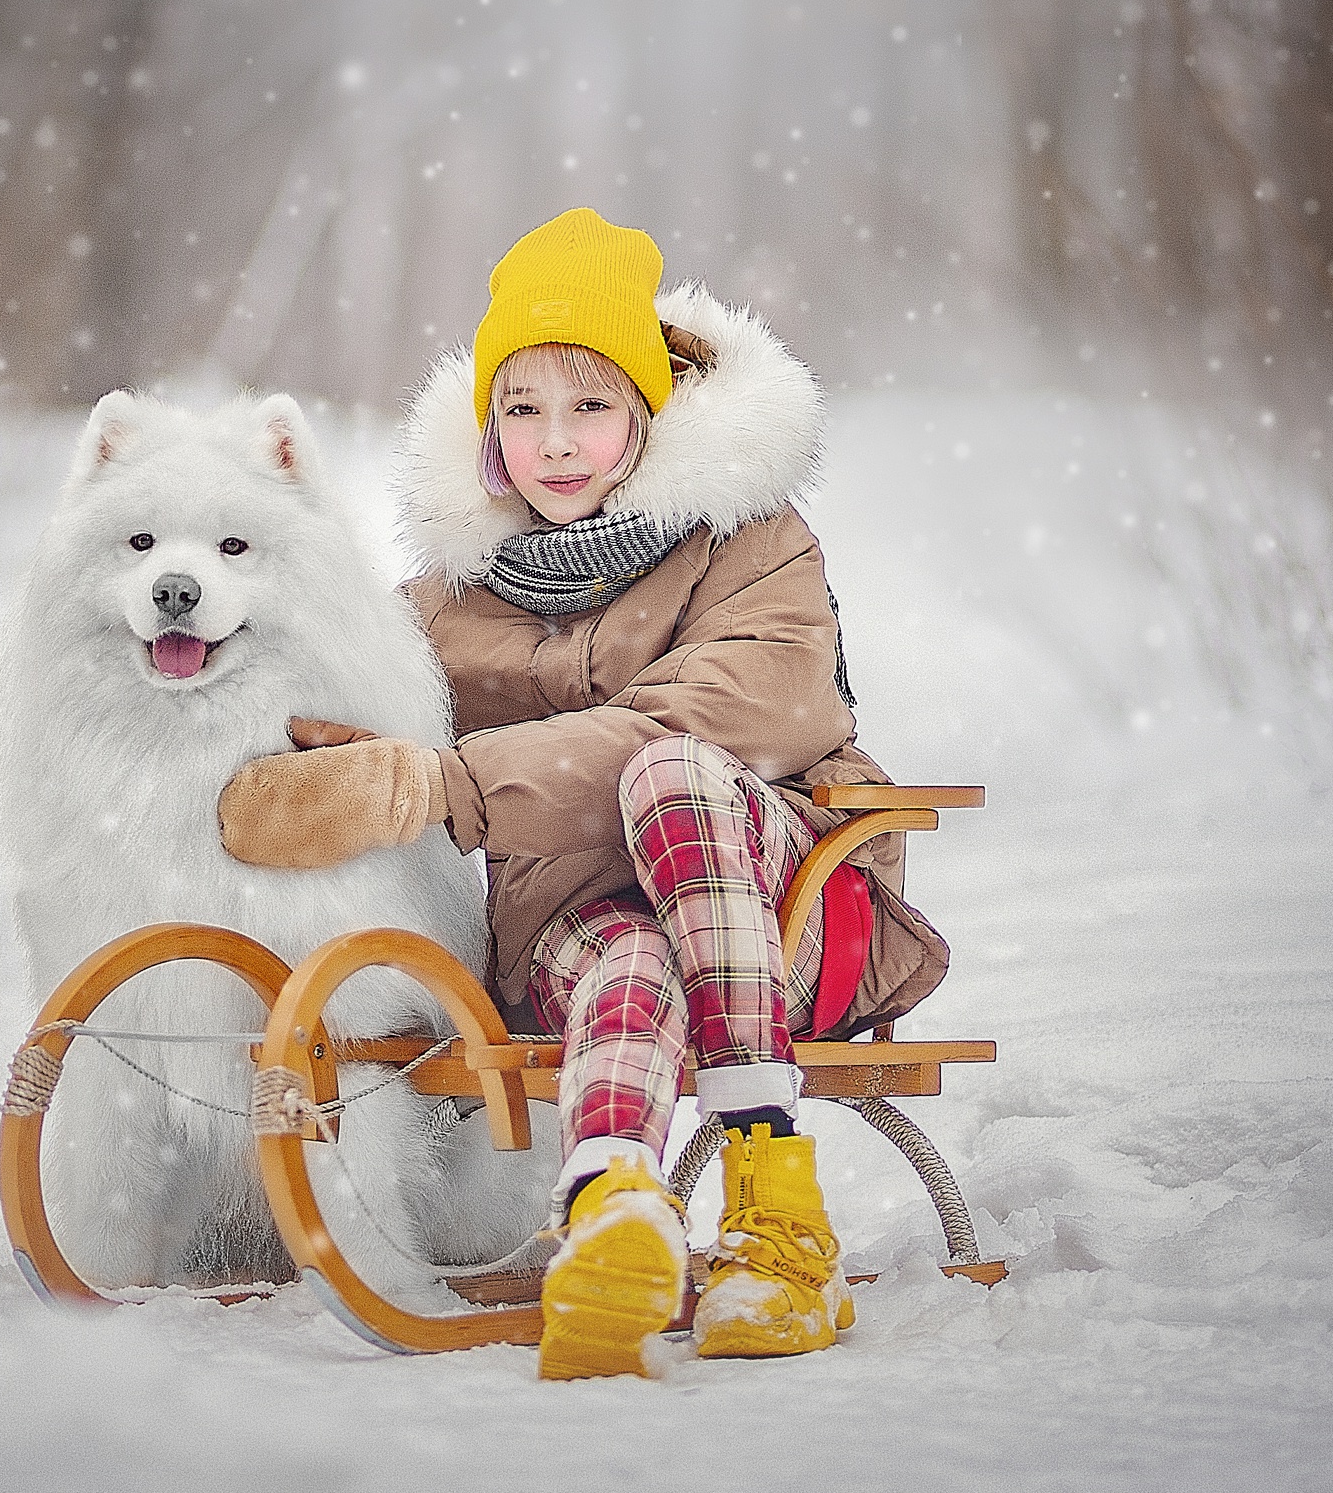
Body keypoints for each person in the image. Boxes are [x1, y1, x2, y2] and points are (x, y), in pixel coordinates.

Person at [218, 208, 949, 1379]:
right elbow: (357, 701)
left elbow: (704, 720)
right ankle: (613, 1206)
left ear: (649, 415)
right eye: (522, 410)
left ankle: (775, 1216)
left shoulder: (753, 545)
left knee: (668, 774)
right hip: (577, 925)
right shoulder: (450, 601)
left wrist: (440, 787)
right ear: (490, 434)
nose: (555, 443)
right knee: (633, 960)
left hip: (789, 914)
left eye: (589, 406)